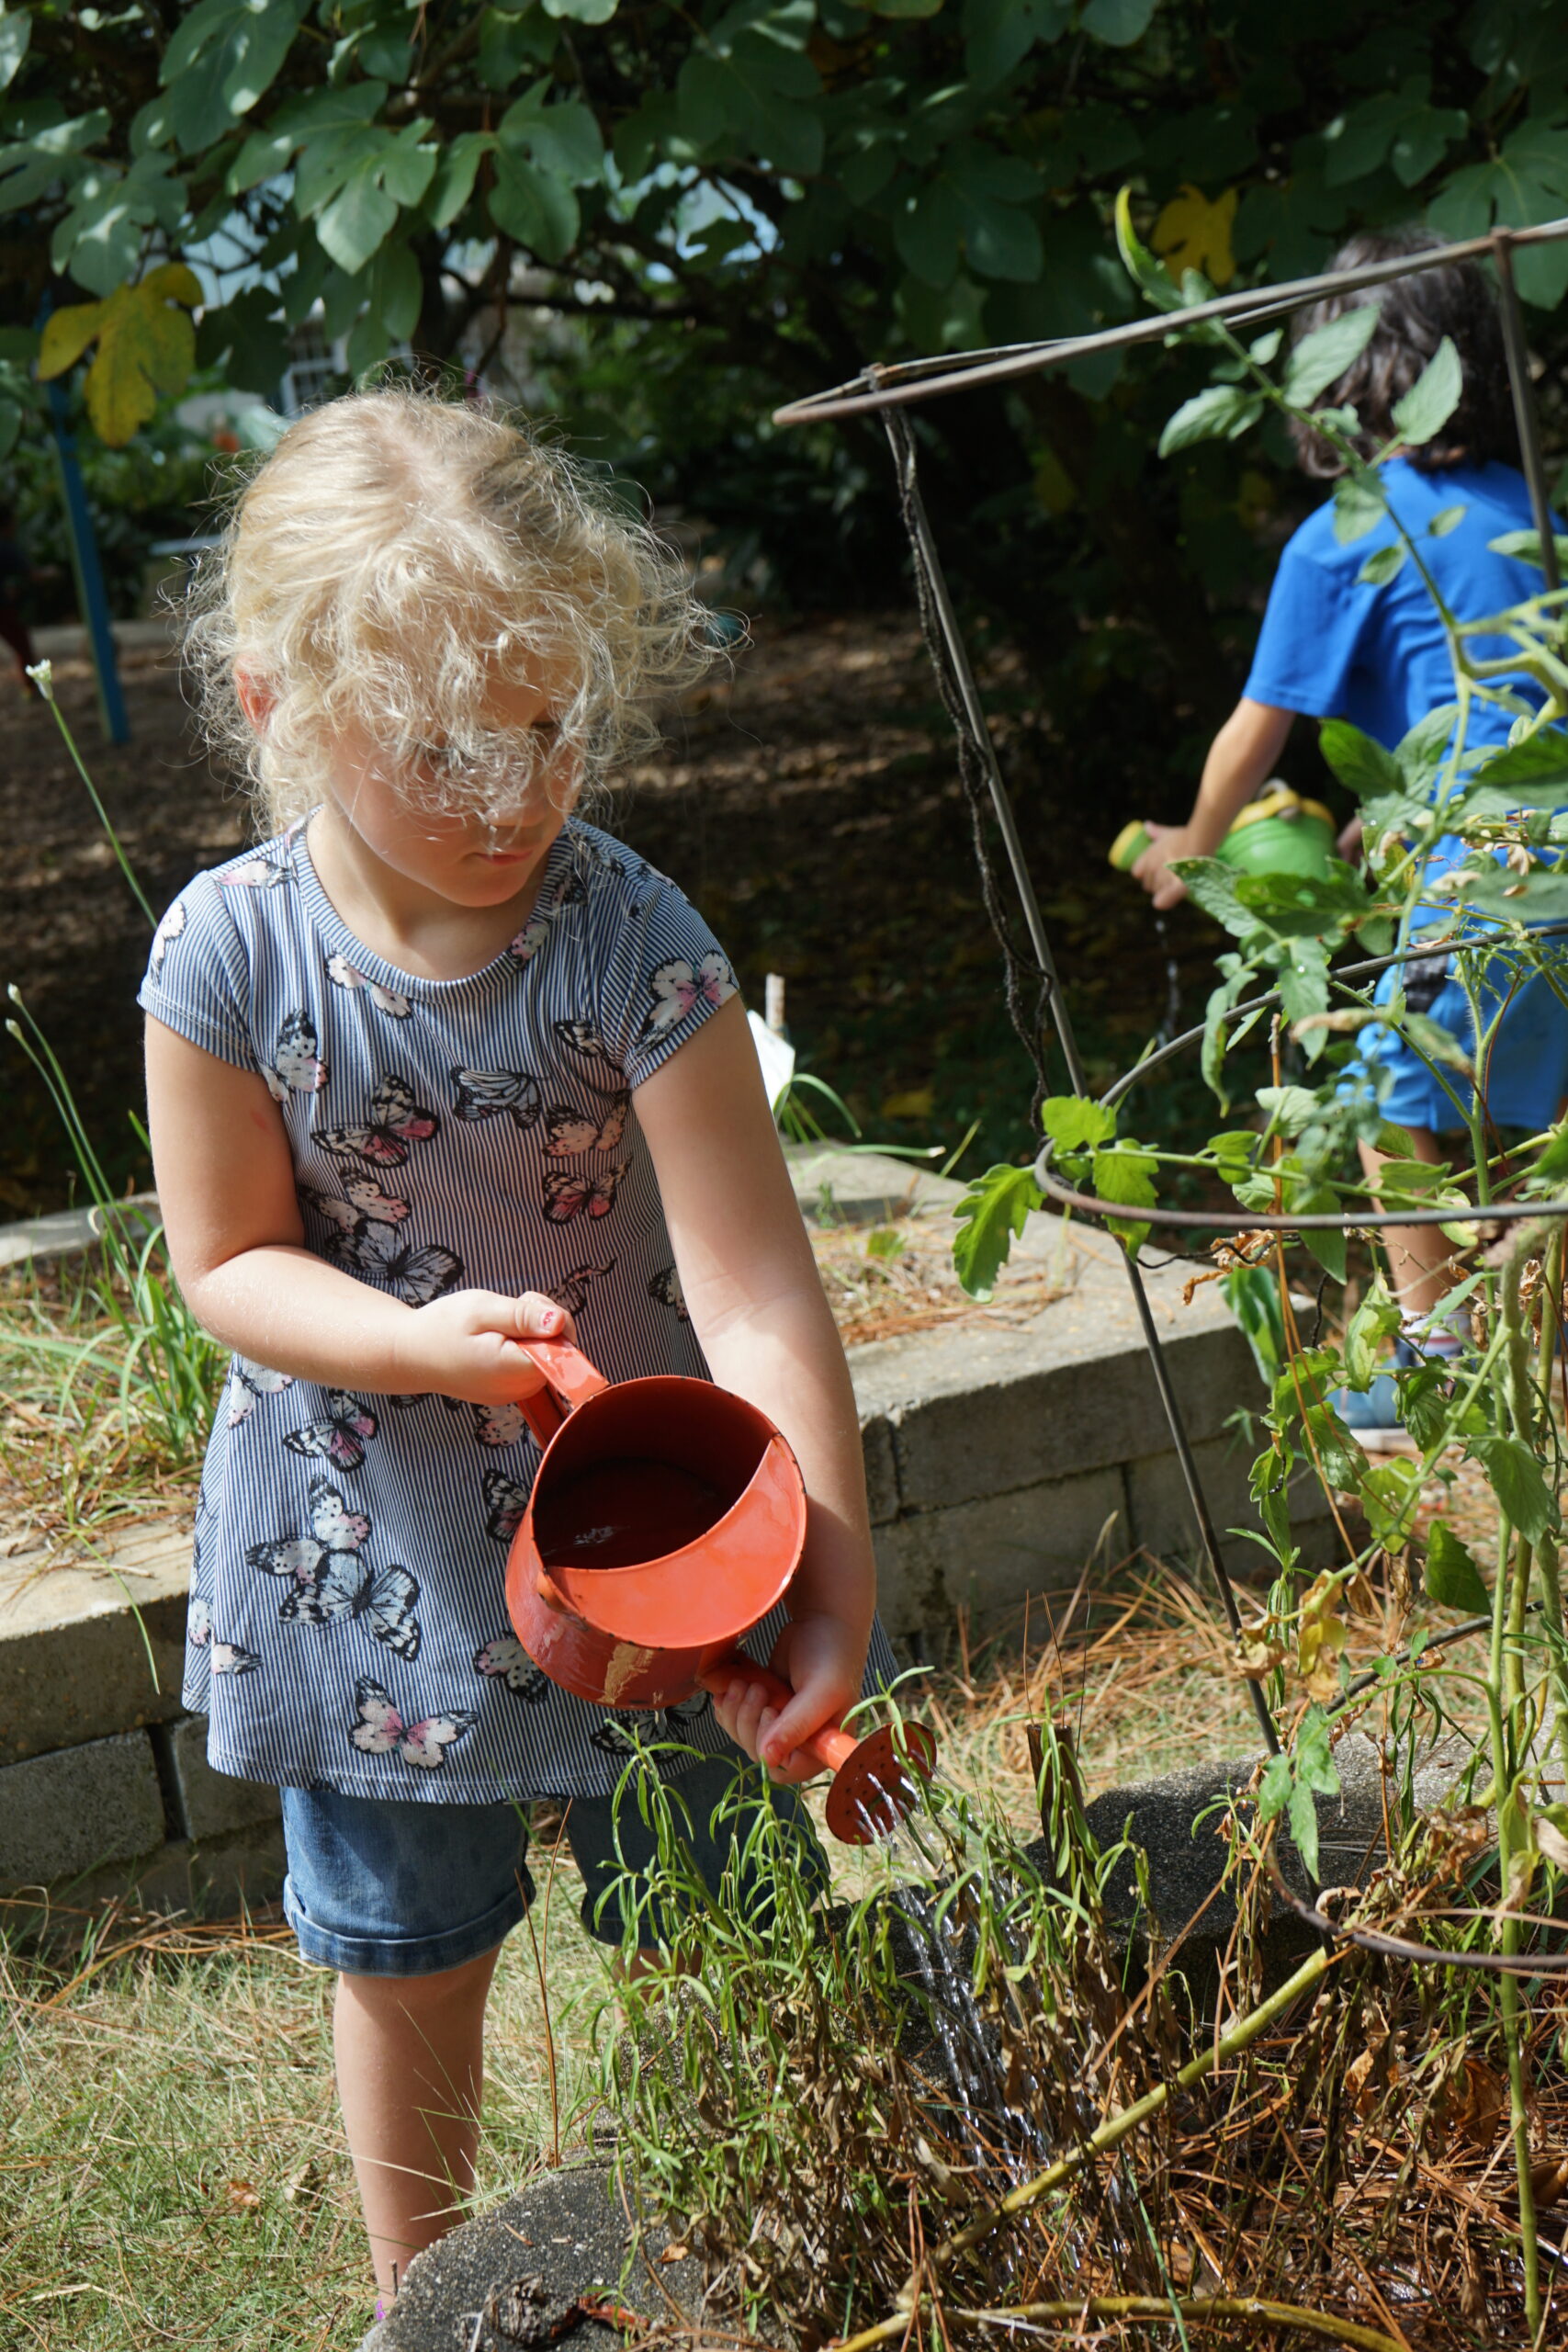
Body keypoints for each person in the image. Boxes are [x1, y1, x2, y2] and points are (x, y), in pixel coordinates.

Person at [141, 388, 890, 2316]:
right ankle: (434, 2303)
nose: (509, 793)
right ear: (271, 706)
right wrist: (406, 1339)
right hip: (367, 1565)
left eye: (548, 729)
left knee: (723, 1921)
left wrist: (827, 1555)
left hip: (661, 1553)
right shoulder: (228, 958)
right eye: (442, 751)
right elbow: (223, 1257)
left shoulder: (624, 933)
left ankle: (791, 2262)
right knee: (403, 1951)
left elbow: (754, 1287)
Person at [1133, 225, 1568, 1431]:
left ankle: (1432, 1356)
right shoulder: (1522, 507)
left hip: (1489, 856)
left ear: (1331, 377)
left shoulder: (1345, 535)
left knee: (1390, 1098)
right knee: (1547, 1099)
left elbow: (1254, 730)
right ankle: (1548, 1327)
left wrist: (1194, 842)